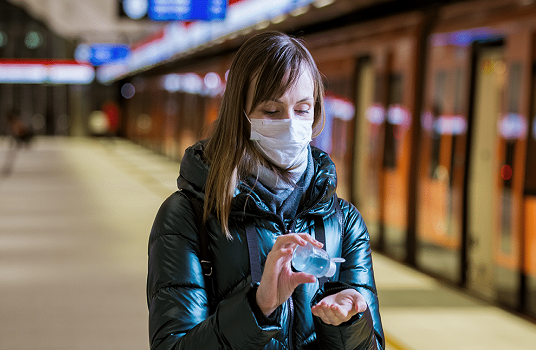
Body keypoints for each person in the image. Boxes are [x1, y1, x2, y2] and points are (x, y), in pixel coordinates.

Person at [146, 31, 384, 350]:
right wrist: (257, 308)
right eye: (271, 111)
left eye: (302, 109)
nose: (289, 123)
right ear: (239, 115)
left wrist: (349, 323)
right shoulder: (185, 217)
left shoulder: (344, 222)